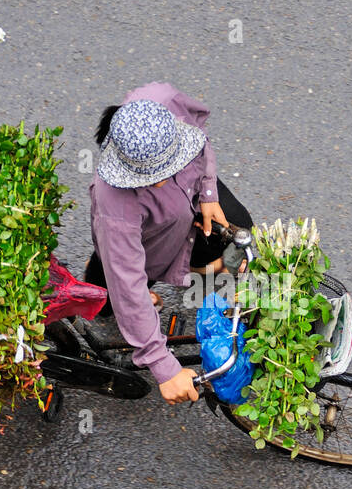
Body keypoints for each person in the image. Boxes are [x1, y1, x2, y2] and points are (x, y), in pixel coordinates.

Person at [84, 82, 253, 404]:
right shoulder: (116, 209)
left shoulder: (162, 100)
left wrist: (207, 192)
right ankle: (99, 278)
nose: (163, 178)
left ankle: (197, 265)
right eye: (153, 177)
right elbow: (128, 282)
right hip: (145, 245)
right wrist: (163, 366)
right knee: (109, 300)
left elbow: (200, 142)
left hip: (186, 210)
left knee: (236, 224)